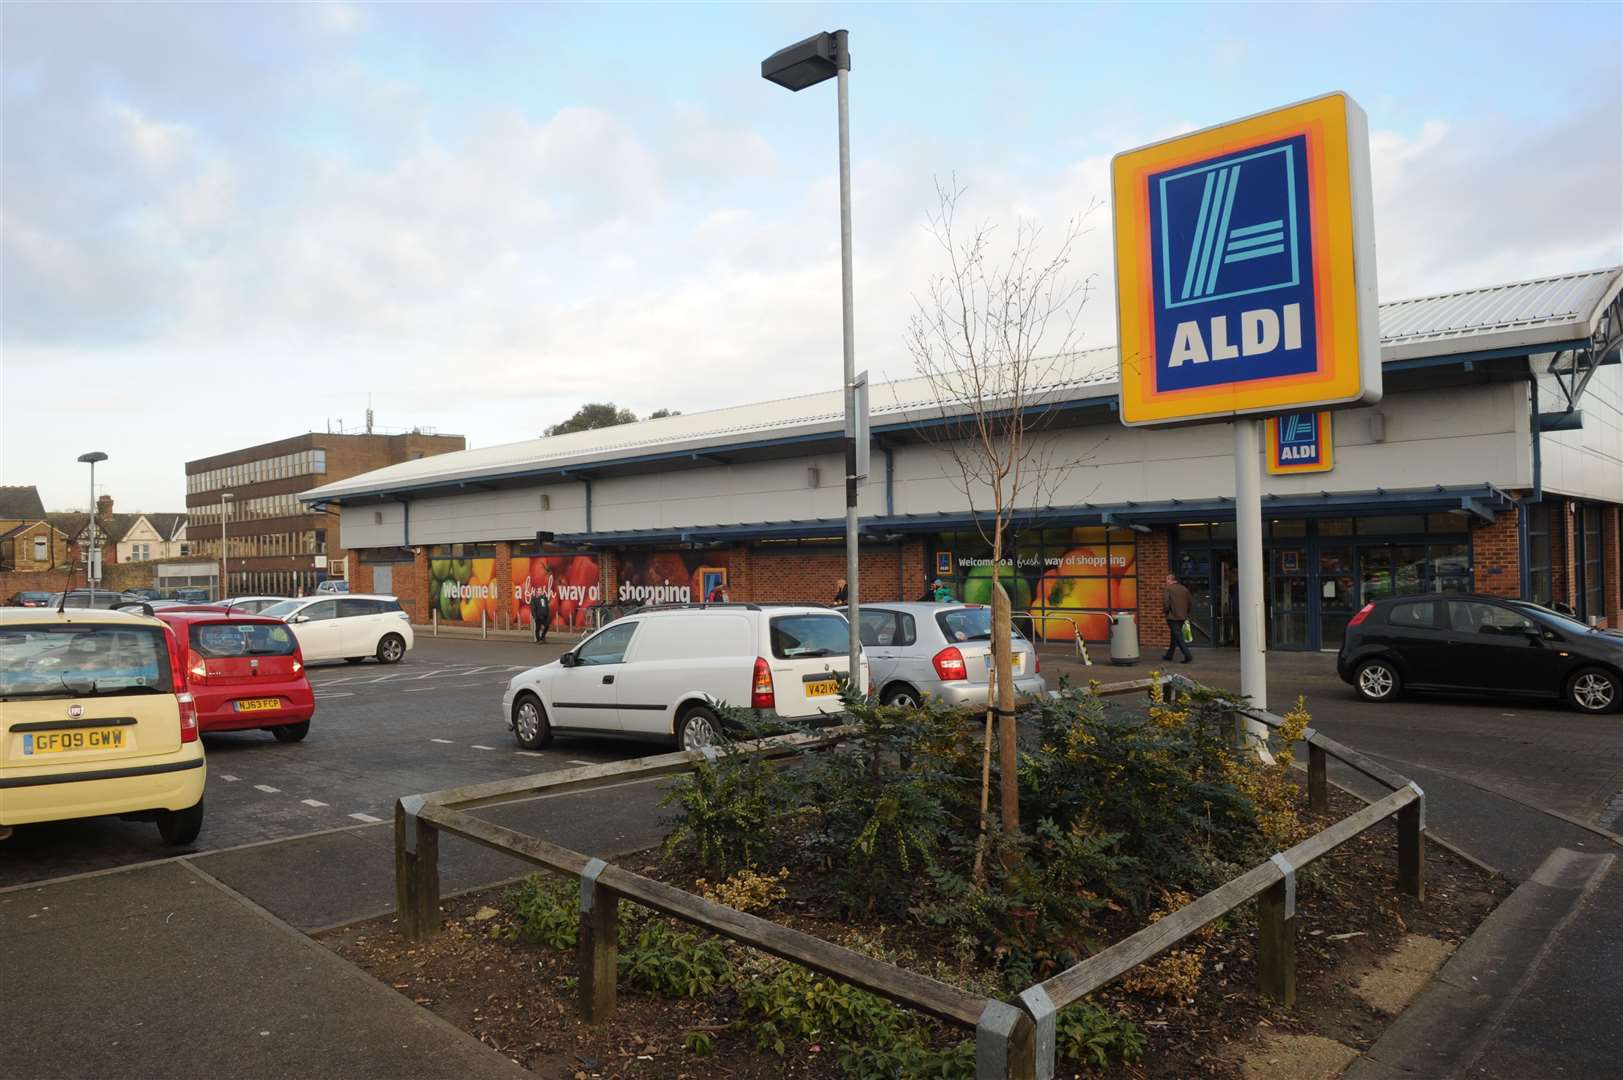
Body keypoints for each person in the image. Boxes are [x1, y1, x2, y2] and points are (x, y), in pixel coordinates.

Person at [1162, 572, 1193, 663]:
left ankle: (1188, 655)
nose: (1166, 581)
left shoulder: (1168, 589)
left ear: (1171, 580)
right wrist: (1187, 614)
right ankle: (1169, 655)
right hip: (1182, 616)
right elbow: (1190, 602)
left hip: (1173, 617)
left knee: (1178, 636)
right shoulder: (1184, 589)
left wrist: (1166, 612)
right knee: (1174, 635)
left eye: (1167, 579)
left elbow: (1166, 603)